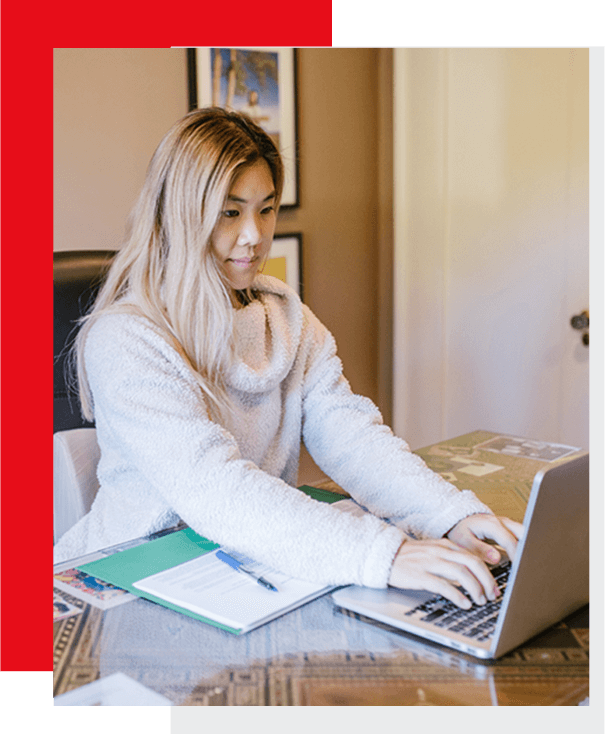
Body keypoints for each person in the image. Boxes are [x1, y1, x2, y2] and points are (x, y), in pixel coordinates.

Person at [54, 107, 523, 610]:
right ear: (181, 213)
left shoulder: (286, 319)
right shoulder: (127, 338)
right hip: (128, 582)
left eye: (266, 208)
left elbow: (353, 438)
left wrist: (448, 516)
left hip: (244, 558)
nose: (255, 235)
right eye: (231, 212)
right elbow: (214, 487)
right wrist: (382, 554)